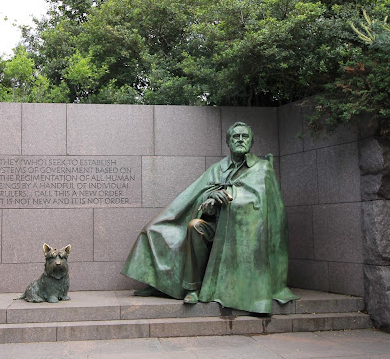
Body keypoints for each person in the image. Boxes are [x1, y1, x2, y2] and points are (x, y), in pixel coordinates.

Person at [120, 122, 298, 314]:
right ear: (228, 142)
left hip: (242, 233)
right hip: (215, 226)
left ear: (252, 142)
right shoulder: (218, 168)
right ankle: (186, 287)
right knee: (183, 227)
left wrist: (229, 196)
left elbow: (262, 205)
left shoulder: (262, 168)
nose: (240, 140)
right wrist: (210, 199)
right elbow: (198, 194)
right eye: (235, 137)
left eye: (244, 136)